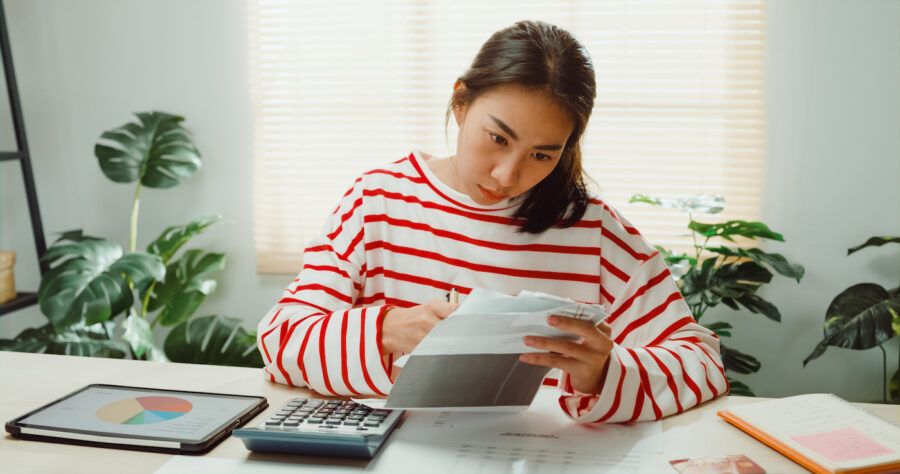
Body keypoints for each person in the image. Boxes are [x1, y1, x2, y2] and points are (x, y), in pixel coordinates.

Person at [257, 20, 727, 423]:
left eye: (543, 154)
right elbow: (281, 339)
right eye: (498, 138)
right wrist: (383, 331)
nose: (508, 176)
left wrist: (605, 373)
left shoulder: (595, 233)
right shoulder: (377, 201)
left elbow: (702, 361)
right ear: (461, 103)